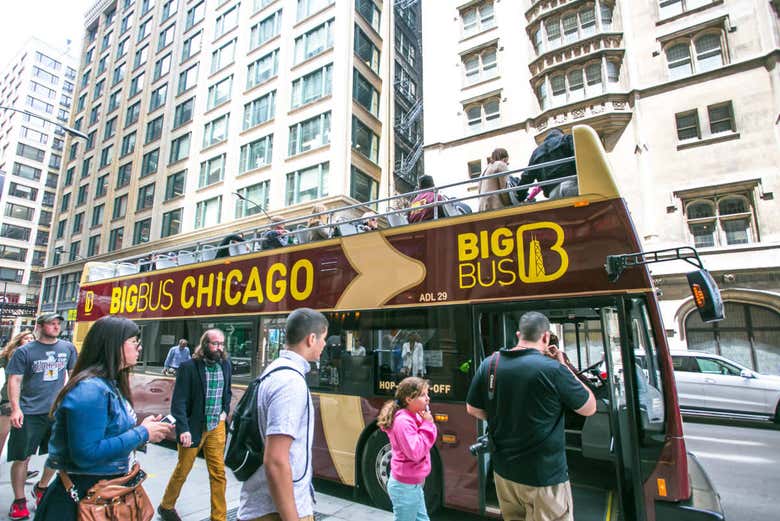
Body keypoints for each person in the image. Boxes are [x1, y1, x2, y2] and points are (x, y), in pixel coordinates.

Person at [35, 315, 173, 521]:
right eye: (134, 342)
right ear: (114, 345)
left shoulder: (109, 384)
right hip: (82, 501)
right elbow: (86, 453)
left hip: (103, 495)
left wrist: (144, 430)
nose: (140, 348)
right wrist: (142, 433)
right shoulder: (90, 390)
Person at [465, 312, 596, 521]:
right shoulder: (554, 370)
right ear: (545, 337)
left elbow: (473, 409)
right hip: (543, 477)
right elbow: (589, 407)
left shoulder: (490, 364)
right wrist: (564, 365)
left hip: (505, 475)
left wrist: (503, 414)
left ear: (518, 334)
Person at [238, 308, 329, 521]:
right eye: (323, 338)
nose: (325, 345)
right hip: (275, 511)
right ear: (311, 338)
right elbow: (276, 460)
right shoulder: (290, 383)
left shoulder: (275, 371)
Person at [5, 313, 78, 520]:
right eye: (51, 324)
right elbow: (15, 381)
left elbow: (74, 375)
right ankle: (19, 501)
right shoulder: (24, 352)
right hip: (29, 412)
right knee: (22, 457)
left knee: (58, 454)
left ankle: (42, 487)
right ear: (40, 326)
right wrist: (16, 408)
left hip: (56, 411)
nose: (56, 327)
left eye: (58, 324)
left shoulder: (67, 348)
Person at [158, 329, 233, 521]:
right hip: (194, 427)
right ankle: (166, 506)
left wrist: (224, 411)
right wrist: (183, 429)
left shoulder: (225, 364)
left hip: (217, 426)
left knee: (218, 474)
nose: (219, 348)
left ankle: (219, 517)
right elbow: (179, 402)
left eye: (222, 344)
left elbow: (227, 392)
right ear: (205, 344)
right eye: (215, 344)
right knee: (183, 469)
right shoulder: (189, 367)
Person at [377, 377, 437, 521]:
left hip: (412, 485)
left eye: (427, 394)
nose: (428, 399)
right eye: (423, 395)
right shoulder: (403, 421)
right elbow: (415, 452)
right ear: (409, 399)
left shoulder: (412, 416)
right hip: (404, 487)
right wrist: (428, 425)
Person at [0, 331, 35, 464]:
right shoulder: (13, 354)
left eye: (32, 338)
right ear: (20, 340)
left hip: (27, 398)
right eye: (26, 338)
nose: (30, 340)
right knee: (3, 433)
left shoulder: (34, 354)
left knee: (24, 436)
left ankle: (22, 467)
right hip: (9, 398)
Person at [520, 128, 578, 200]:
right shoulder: (566, 138)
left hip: (552, 193)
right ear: (560, 133)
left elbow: (527, 176)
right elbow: (579, 158)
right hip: (572, 184)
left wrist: (520, 196)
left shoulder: (536, 152)